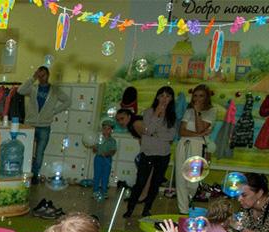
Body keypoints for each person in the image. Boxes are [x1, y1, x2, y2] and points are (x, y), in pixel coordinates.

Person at [123, 86, 178, 218]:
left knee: (155, 184)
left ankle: (147, 209)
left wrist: (155, 133)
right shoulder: (148, 112)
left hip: (163, 154)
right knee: (140, 182)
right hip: (148, 153)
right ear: (157, 97)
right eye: (162, 95)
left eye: (168, 96)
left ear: (171, 99)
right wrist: (156, 114)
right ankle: (130, 208)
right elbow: (148, 130)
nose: (165, 99)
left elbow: (171, 136)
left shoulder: (172, 115)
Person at [17, 67, 71, 183]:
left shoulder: (54, 90)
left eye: (43, 75)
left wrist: (54, 111)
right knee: (27, 151)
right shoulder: (33, 88)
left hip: (44, 125)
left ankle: (35, 176)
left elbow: (67, 101)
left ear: (48, 75)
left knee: (39, 152)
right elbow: (20, 91)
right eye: (39, 75)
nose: (41, 78)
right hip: (30, 124)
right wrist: (32, 78)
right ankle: (25, 173)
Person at [175, 85, 216, 214]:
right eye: (195, 95)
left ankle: (190, 199)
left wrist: (198, 112)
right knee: (180, 177)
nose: (197, 98)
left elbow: (200, 128)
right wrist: (198, 134)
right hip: (184, 144)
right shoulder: (188, 110)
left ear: (206, 97)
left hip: (198, 146)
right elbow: (182, 131)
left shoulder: (211, 111)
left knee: (193, 180)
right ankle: (183, 210)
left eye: (201, 95)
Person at [91, 119, 117, 201]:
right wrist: (94, 148)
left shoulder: (112, 141)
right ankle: (95, 191)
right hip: (98, 159)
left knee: (105, 176)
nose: (106, 130)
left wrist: (107, 153)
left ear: (111, 130)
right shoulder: (98, 139)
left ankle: (104, 192)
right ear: (102, 129)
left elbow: (113, 151)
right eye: (104, 128)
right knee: (97, 175)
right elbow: (94, 150)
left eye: (108, 129)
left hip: (107, 160)